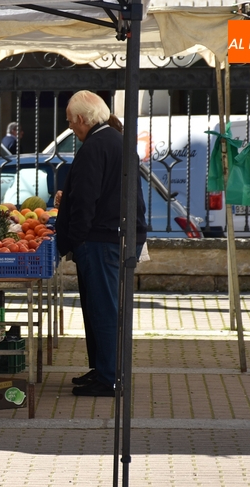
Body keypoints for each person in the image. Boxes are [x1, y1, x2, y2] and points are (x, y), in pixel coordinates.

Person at [55, 92, 147, 397]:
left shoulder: (96, 145)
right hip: (107, 238)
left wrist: (75, 239)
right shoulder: (113, 141)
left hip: (100, 241)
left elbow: (86, 198)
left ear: (82, 119)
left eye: (71, 123)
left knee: (103, 310)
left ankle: (108, 377)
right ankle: (102, 370)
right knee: (98, 309)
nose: (71, 129)